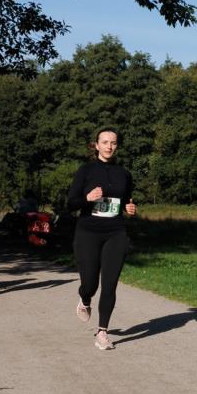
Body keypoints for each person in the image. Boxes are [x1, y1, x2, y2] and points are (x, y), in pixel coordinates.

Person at [67, 128, 137, 350]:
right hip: (88, 231)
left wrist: (130, 207)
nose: (109, 146)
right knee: (90, 282)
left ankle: (102, 332)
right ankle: (85, 298)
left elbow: (127, 199)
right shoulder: (86, 171)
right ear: (96, 145)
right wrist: (87, 198)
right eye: (105, 142)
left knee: (110, 283)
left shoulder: (123, 174)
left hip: (115, 232)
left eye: (113, 142)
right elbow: (71, 204)